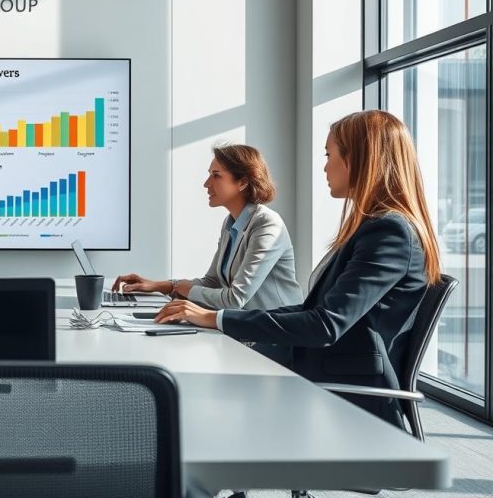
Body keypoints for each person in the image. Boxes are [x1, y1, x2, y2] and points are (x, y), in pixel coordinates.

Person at [156, 110, 442, 429]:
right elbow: (312, 310)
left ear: (360, 160)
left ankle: (200, 471)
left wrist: (216, 318)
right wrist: (215, 320)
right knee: (195, 362)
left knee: (191, 384)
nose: (324, 165)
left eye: (328, 154)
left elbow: (324, 325)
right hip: (317, 366)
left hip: (340, 389)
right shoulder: (374, 228)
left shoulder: (388, 233)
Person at [113, 144, 301, 363]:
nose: (206, 184)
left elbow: (235, 299)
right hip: (244, 332)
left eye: (216, 176)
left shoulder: (267, 225)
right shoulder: (231, 223)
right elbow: (211, 281)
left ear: (242, 182)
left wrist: (186, 292)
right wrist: (160, 285)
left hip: (274, 339)